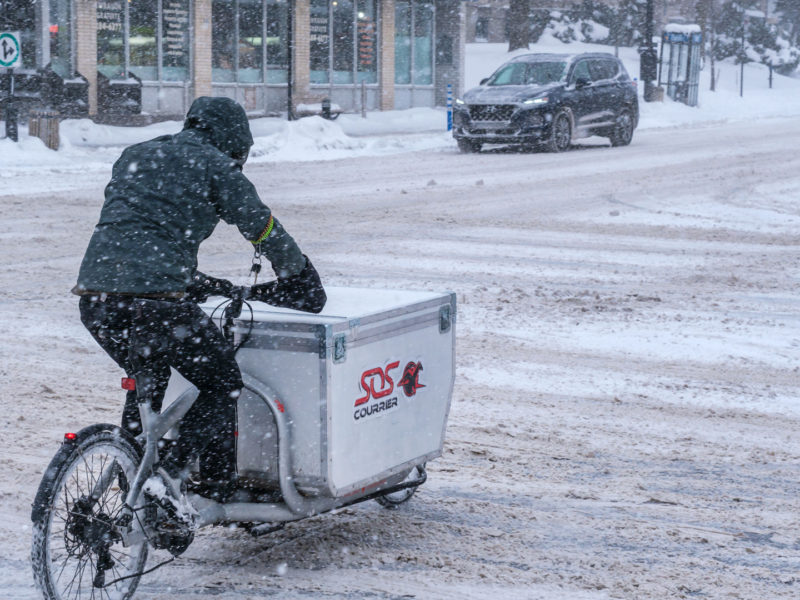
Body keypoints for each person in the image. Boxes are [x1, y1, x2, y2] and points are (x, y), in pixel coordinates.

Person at [73, 97, 325, 514]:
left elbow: (140, 229)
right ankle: (165, 478)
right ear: (234, 143)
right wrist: (297, 273)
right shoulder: (216, 165)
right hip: (158, 305)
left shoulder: (136, 155)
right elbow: (260, 225)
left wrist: (189, 280)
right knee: (222, 382)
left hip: (97, 301)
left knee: (145, 375)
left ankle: (130, 469)